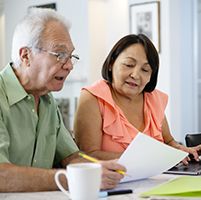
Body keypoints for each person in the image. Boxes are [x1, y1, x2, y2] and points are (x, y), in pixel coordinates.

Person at [0, 8, 125, 192]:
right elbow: (2, 176)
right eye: (60, 55)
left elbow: (72, 158)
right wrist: (76, 179)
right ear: (26, 56)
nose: (69, 66)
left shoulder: (47, 101)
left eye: (70, 56)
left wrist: (111, 168)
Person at [74, 34, 201, 163]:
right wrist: (146, 160)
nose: (136, 75)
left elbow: (169, 142)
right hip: (112, 183)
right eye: (128, 65)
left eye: (145, 70)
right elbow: (87, 156)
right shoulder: (92, 98)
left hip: (156, 180)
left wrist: (183, 151)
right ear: (111, 64)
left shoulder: (153, 99)